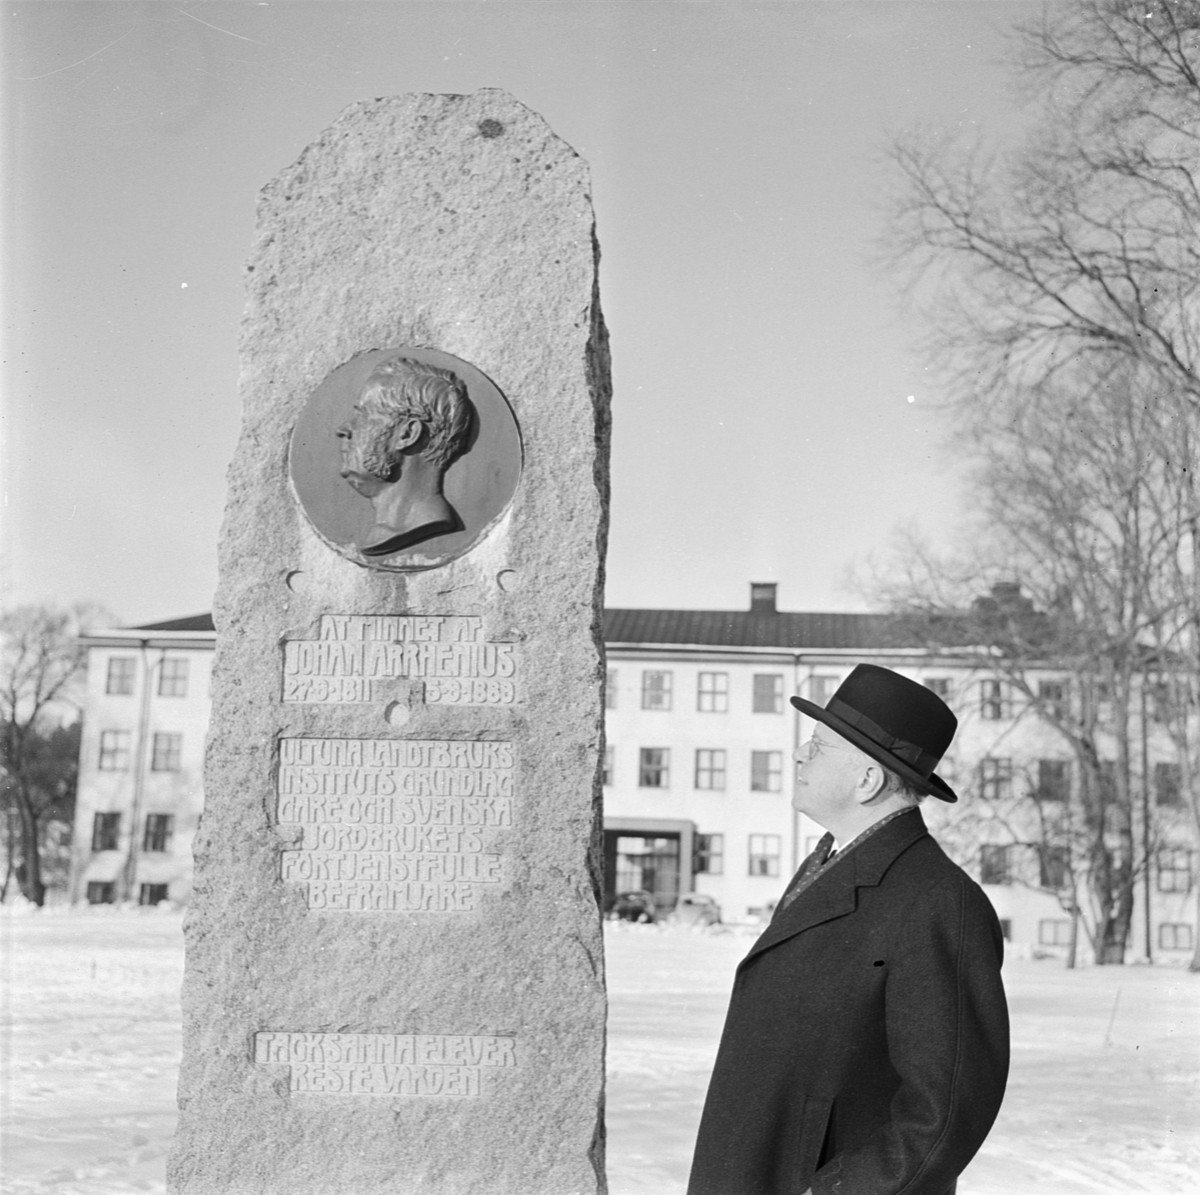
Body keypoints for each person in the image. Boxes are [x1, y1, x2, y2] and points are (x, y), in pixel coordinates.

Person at [688, 664, 1009, 1195]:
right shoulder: (830, 863)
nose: (798, 755)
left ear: (868, 780)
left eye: (818, 746)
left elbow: (947, 1105)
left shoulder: (938, 902)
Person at [336, 356, 475, 556]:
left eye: (363, 416)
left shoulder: (423, 522)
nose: (343, 429)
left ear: (408, 435)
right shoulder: (380, 532)